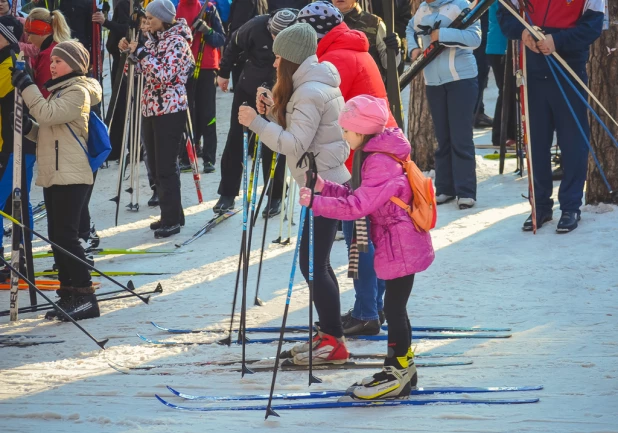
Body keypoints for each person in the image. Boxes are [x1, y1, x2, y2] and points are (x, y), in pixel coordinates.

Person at [301, 95, 434, 399]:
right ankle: (402, 365)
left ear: (361, 131)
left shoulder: (380, 162)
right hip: (399, 243)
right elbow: (356, 193)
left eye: (346, 131)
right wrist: (324, 187)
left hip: (400, 245)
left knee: (394, 309)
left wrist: (316, 203)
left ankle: (397, 370)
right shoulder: (377, 154)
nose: (344, 136)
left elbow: (357, 206)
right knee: (396, 307)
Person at [239, 23, 351, 365]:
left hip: (324, 186)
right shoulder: (312, 84)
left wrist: (257, 124)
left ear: (290, 59)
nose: (273, 64)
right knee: (316, 263)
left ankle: (333, 341)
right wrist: (273, 110)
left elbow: (293, 143)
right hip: (323, 182)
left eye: (277, 58)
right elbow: (304, 128)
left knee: (313, 265)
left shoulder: (309, 92)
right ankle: (330, 334)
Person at [297, 0, 394, 336]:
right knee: (366, 236)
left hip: (361, 157)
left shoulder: (335, 58)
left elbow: (321, 114)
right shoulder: (347, 47)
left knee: (361, 239)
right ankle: (373, 308)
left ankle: (368, 312)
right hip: (373, 152)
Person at [11, 40, 101, 321]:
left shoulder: (78, 92)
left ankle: (86, 296)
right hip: (56, 172)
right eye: (52, 61)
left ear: (75, 65)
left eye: (58, 61)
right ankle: (69, 292)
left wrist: (26, 86)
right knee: (57, 237)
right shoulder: (59, 91)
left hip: (72, 174)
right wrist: (29, 129)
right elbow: (49, 131)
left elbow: (48, 114)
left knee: (66, 236)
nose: (52, 65)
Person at [498, 0, 605, 233]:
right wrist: (523, 32)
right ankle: (540, 206)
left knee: (573, 141)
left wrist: (557, 41)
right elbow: (505, 14)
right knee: (536, 141)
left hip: (568, 66)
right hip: (532, 68)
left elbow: (593, 26)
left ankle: (570, 206)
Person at [120, 0, 194, 238]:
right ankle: (171, 214)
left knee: (165, 167)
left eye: (151, 18)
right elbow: (142, 71)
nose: (147, 23)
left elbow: (163, 75)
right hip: (150, 108)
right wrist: (130, 54)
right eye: (146, 19)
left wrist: (141, 53)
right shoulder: (155, 40)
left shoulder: (178, 42)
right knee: (154, 165)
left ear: (163, 18)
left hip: (170, 110)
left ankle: (172, 220)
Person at [214, 8, 296, 215]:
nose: (276, 39)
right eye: (273, 35)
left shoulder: (299, 33)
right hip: (249, 84)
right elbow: (233, 43)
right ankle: (227, 194)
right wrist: (223, 72)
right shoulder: (255, 25)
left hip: (280, 89)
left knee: (273, 141)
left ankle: (275, 195)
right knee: (236, 139)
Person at [406, 0, 480, 210]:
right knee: (443, 137)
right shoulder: (423, 9)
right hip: (434, 82)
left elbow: (474, 39)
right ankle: (446, 188)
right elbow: (410, 27)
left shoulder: (460, 5)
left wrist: (444, 35)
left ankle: (466, 191)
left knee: (461, 137)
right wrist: (413, 50)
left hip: (461, 80)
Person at [0, 16, 36, 263]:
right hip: (8, 144)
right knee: (16, 200)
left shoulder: (12, 64)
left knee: (16, 200)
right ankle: (19, 254)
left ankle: (21, 254)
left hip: (17, 145)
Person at [176, 0, 225, 174]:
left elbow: (221, 39)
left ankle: (209, 158)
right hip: (183, 68)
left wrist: (207, 30)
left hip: (206, 67)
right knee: (187, 113)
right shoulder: (174, 7)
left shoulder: (209, 9)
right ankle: (187, 156)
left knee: (207, 114)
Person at [330, 0, 401, 81]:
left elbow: (388, 64)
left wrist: (394, 49)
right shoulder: (321, 23)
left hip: (365, 88)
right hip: (330, 89)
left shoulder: (374, 23)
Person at [23, 7, 72, 98]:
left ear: (40, 32)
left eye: (29, 34)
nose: (29, 39)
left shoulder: (50, 55)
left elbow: (44, 93)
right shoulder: (60, 46)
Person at [486, 1, 515, 150]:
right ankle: (500, 136)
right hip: (500, 48)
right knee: (506, 91)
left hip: (504, 47)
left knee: (511, 91)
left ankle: (510, 134)